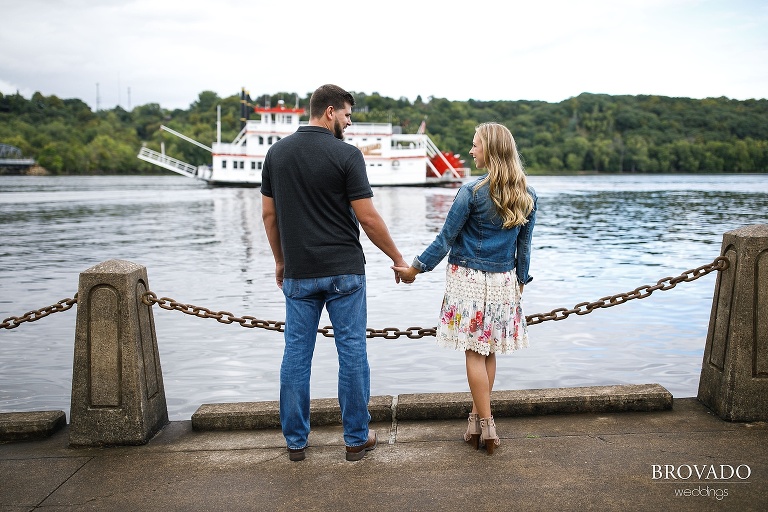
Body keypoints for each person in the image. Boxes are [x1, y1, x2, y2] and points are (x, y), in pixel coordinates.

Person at [261, 84, 410, 462]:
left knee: (296, 354)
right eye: (346, 115)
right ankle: (356, 439)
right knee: (353, 352)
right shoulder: (346, 155)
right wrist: (397, 258)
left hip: (299, 272)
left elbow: (269, 215)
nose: (348, 122)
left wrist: (280, 262)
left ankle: (296, 443)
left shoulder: (275, 155)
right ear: (329, 111)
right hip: (345, 271)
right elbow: (368, 217)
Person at [394, 122, 537, 455]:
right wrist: (521, 282)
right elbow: (525, 247)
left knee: (474, 351)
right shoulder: (527, 194)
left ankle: (488, 427)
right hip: (505, 281)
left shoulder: (471, 192)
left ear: (490, 149)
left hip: (468, 280)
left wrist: (415, 269)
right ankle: (476, 420)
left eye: (475, 145)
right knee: (488, 351)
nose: (471, 151)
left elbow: (445, 239)